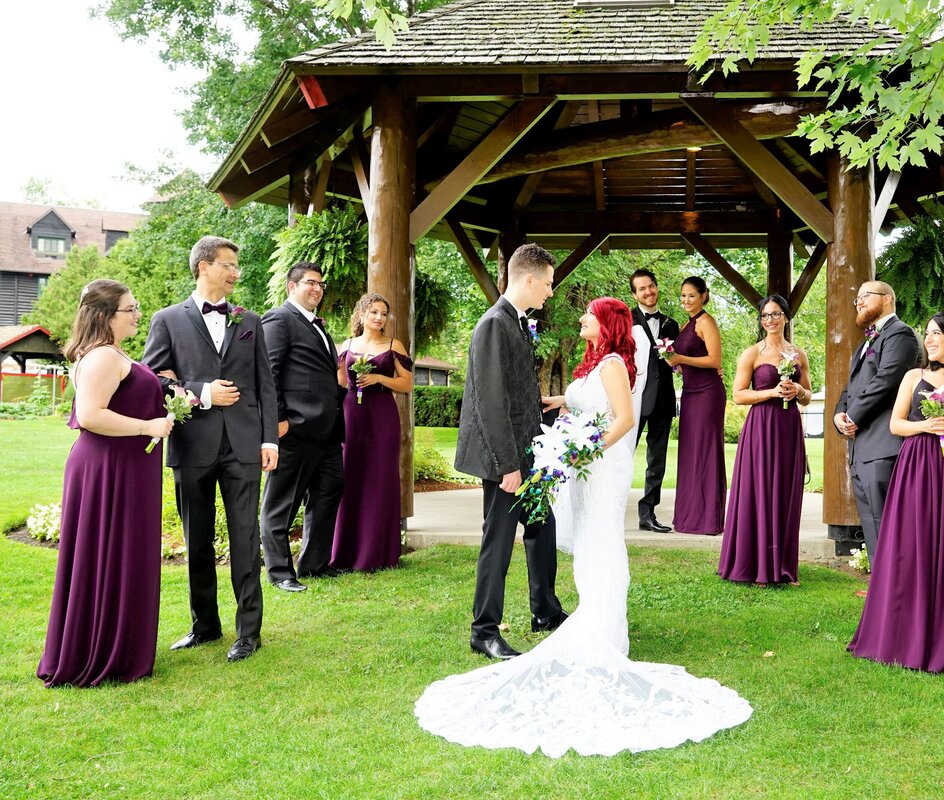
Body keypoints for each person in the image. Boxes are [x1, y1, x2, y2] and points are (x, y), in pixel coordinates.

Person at [415, 298, 752, 757]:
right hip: (584, 468)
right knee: (588, 541)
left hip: (598, 469)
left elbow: (624, 419)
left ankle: (604, 625)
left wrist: (584, 450)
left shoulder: (614, 363)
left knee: (601, 540)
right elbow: (585, 401)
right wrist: (560, 402)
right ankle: (592, 612)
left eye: (588, 316)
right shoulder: (596, 362)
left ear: (606, 324)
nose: (581, 319)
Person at [143, 236, 278, 663]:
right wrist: (201, 392)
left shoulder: (250, 321)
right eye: (229, 264)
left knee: (244, 538)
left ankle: (249, 632)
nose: (236, 272)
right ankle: (205, 625)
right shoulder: (167, 319)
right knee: (197, 541)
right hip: (193, 444)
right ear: (204, 266)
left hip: (243, 446)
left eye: (236, 265)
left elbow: (264, 384)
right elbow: (154, 379)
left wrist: (269, 437)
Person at [37, 281, 173, 686]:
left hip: (126, 466)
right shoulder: (100, 357)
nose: (136, 315)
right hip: (108, 469)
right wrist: (147, 424)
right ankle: (100, 651)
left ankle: (118, 644)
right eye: (128, 309)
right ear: (104, 316)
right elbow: (92, 414)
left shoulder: (112, 353)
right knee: (108, 552)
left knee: (124, 551)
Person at [847, 310, 944, 673]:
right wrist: (926, 424)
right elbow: (896, 425)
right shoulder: (915, 376)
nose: (928, 340)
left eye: (936, 334)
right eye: (927, 334)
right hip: (914, 467)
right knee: (907, 548)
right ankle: (895, 637)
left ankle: (941, 641)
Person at [455, 243, 567, 660]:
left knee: (542, 527)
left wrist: (545, 407)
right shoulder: (493, 324)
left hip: (527, 453)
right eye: (549, 284)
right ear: (529, 278)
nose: (551, 292)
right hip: (505, 459)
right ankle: (484, 630)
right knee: (498, 543)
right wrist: (507, 466)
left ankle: (545, 611)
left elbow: (516, 391)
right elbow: (489, 401)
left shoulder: (518, 323)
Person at [260, 262, 347, 592]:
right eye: (311, 282)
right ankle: (280, 572)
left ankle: (314, 563)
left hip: (326, 433)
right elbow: (270, 373)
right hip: (294, 430)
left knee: (328, 495)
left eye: (321, 284)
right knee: (281, 503)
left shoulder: (319, 326)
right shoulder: (279, 319)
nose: (317, 288)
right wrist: (280, 420)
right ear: (291, 287)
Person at [718, 295, 812, 586]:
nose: (769, 320)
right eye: (764, 316)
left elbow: (808, 396)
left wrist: (796, 389)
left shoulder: (799, 353)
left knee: (785, 491)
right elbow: (738, 394)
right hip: (761, 427)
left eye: (775, 314)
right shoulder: (752, 353)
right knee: (758, 490)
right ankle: (755, 565)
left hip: (789, 428)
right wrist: (770, 393)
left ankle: (783, 566)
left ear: (785, 316)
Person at [833, 281, 921, 562]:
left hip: (885, 446)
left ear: (887, 299)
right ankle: (880, 593)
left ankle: (899, 594)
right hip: (861, 448)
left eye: (864, 296)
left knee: (888, 523)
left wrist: (854, 416)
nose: (858, 302)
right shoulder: (864, 343)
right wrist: (839, 415)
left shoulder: (901, 335)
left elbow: (887, 380)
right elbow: (850, 388)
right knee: (872, 523)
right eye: (856, 298)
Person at [332, 293, 414, 571]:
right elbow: (342, 380)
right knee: (350, 476)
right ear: (361, 314)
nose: (379, 318)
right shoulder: (348, 344)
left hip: (382, 416)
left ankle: (379, 552)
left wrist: (380, 377)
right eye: (374, 312)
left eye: (383, 313)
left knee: (380, 478)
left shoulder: (393, 345)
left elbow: (406, 385)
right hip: (352, 416)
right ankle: (346, 551)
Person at [664, 276, 726, 535]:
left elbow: (714, 360)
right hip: (689, 393)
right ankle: (689, 517)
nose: (686, 300)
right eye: (683, 296)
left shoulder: (706, 322)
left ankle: (708, 520)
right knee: (690, 452)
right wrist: (677, 364)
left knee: (706, 452)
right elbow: (690, 358)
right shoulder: (687, 325)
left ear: (703, 296)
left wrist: (680, 357)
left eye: (691, 295)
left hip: (707, 394)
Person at [629, 269, 681, 533]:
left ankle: (647, 514)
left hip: (662, 400)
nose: (648, 292)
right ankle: (609, 510)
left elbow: (680, 361)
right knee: (622, 457)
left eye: (651, 286)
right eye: (642, 289)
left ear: (657, 287)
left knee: (657, 460)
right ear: (634, 294)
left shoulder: (672, 324)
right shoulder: (625, 320)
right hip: (633, 399)